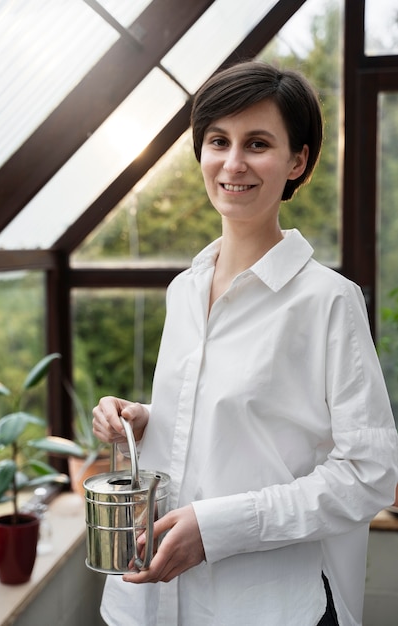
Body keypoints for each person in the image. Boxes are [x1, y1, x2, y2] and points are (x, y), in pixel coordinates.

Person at [92, 61, 398, 626]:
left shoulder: (329, 302)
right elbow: (236, 425)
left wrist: (220, 529)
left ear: (297, 161)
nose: (233, 163)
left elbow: (369, 471)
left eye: (257, 143)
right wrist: (145, 421)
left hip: (264, 606)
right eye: (218, 141)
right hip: (151, 602)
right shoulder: (184, 290)